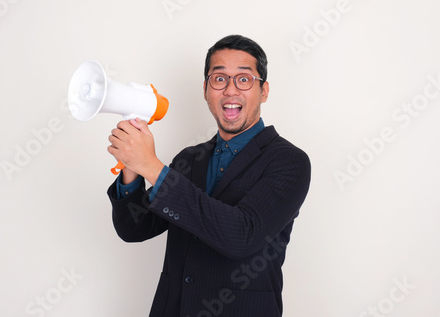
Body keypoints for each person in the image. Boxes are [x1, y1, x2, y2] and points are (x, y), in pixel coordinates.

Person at [107, 34, 311, 317]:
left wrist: (152, 166)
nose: (230, 90)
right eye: (219, 79)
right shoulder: (190, 160)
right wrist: (133, 166)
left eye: (244, 79)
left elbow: (241, 236)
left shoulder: (289, 161)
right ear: (205, 89)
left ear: (263, 91)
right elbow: (133, 229)